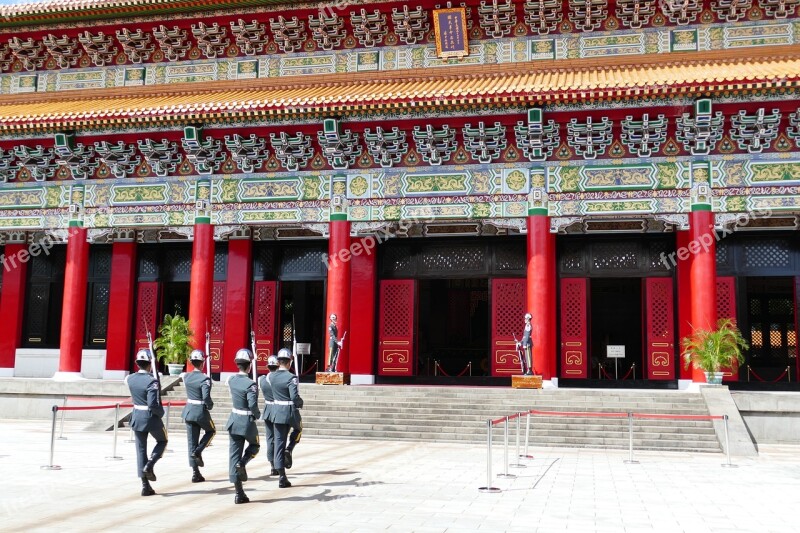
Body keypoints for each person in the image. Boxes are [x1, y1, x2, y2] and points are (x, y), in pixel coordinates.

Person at [124, 349, 168, 497]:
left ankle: (145, 485)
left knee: (140, 450)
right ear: (150, 364)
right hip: (150, 417)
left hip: (137, 415)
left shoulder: (130, 378)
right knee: (162, 440)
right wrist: (161, 413)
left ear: (137, 363)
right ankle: (150, 465)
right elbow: (153, 404)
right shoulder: (152, 381)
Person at [225, 348, 261, 504]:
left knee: (233, 455)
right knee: (255, 445)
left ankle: (239, 493)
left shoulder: (232, 380)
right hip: (246, 422)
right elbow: (252, 405)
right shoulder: (250, 384)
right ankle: (243, 462)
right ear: (249, 366)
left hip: (233, 420)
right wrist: (258, 414)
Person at [269, 348, 303, 488]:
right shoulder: (291, 377)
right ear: (289, 362)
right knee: (298, 429)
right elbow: (294, 396)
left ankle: (282, 476)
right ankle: (290, 448)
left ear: (278, 362)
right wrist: (300, 402)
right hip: (289, 411)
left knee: (278, 443)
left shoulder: (271, 376)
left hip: (277, 411)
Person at [181, 349, 215, 483]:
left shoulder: (186, 377)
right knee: (211, 431)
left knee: (191, 442)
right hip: (200, 411)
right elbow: (206, 397)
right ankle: (199, 451)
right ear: (202, 363)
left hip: (189, 410)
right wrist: (210, 405)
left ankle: (195, 472)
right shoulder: (205, 378)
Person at [258, 355, 280, 477]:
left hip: (267, 410)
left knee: (270, 439)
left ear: (268, 366)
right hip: (278, 409)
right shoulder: (280, 380)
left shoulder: (262, 380)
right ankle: (278, 463)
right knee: (279, 439)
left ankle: (272, 465)